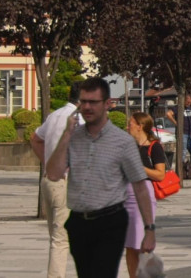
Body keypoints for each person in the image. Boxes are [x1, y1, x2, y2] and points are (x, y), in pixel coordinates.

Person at [45, 77, 155, 278]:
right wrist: (66, 136)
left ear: (107, 104)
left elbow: (140, 186)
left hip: (109, 221)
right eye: (83, 102)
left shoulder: (122, 142)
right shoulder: (73, 138)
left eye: (92, 102)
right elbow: (53, 174)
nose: (86, 107)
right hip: (78, 222)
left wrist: (149, 229)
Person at [30, 82, 81, 278]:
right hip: (65, 182)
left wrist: (48, 162)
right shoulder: (79, 118)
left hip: (49, 181)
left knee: (55, 237)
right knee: (61, 240)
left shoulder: (55, 115)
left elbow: (35, 138)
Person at [124, 113, 166, 278]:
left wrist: (140, 168)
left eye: (130, 124)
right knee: (129, 245)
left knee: (141, 245)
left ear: (140, 126)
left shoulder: (154, 146)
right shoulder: (128, 146)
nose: (128, 127)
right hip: (125, 196)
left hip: (142, 198)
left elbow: (160, 174)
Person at [167, 95, 191, 171]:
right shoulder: (178, 108)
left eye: (190, 101)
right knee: (182, 152)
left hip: (189, 133)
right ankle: (181, 170)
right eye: (187, 101)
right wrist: (176, 123)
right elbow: (168, 114)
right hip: (182, 133)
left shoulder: (189, 108)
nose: (188, 102)